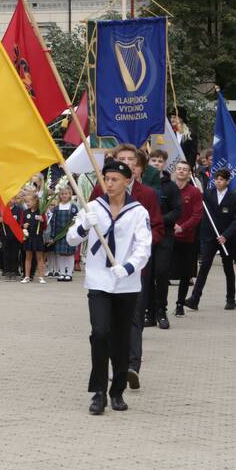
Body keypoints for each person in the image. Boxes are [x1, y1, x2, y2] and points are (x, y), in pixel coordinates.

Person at [67, 160, 152, 415]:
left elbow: (143, 247)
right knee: (100, 333)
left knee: (121, 338)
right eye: (107, 179)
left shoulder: (138, 212)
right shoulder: (93, 207)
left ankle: (117, 391)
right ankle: (99, 392)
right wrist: (84, 224)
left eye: (115, 179)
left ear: (127, 181)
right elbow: (71, 238)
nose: (110, 184)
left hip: (126, 283)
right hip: (98, 281)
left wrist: (128, 267)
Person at [184, 168, 236, 312]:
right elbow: (197, 200)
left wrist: (226, 235)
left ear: (227, 181)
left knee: (228, 269)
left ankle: (231, 299)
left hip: (226, 239)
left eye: (221, 179)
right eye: (217, 179)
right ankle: (194, 299)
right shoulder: (208, 194)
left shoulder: (234, 197)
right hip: (210, 236)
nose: (218, 182)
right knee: (204, 267)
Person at [145, 149, 182, 328]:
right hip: (145, 235)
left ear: (164, 164)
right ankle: (149, 312)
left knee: (161, 272)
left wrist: (160, 220)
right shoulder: (143, 184)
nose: (157, 164)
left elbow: (177, 210)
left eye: (160, 161)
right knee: (147, 275)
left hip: (165, 235)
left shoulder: (171, 186)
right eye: (153, 160)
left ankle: (161, 310)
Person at [169, 160, 203, 318]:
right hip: (168, 237)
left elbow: (197, 215)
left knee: (185, 274)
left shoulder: (194, 192)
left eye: (185, 169)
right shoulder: (168, 189)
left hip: (188, 238)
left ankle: (180, 304)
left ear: (189, 173)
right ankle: (158, 305)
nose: (181, 171)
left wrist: (183, 227)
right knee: (163, 272)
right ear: (175, 171)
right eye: (179, 169)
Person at [46, 185, 79, 282]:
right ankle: (61, 273)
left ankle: (69, 273)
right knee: (60, 254)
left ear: (70, 195)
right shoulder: (56, 208)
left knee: (69, 254)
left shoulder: (73, 207)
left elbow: (76, 221)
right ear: (59, 195)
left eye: (66, 194)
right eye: (62, 194)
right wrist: (53, 236)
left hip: (69, 234)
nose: (64, 196)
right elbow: (53, 222)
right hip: (59, 234)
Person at [21, 191, 45, 284]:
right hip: (28, 237)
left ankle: (41, 277)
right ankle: (27, 276)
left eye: (29, 201)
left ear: (35, 201)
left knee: (39, 258)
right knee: (28, 257)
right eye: (26, 202)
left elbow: (45, 226)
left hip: (37, 237)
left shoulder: (40, 211)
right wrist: (24, 225)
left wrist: (42, 220)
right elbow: (21, 224)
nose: (27, 203)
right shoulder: (25, 212)